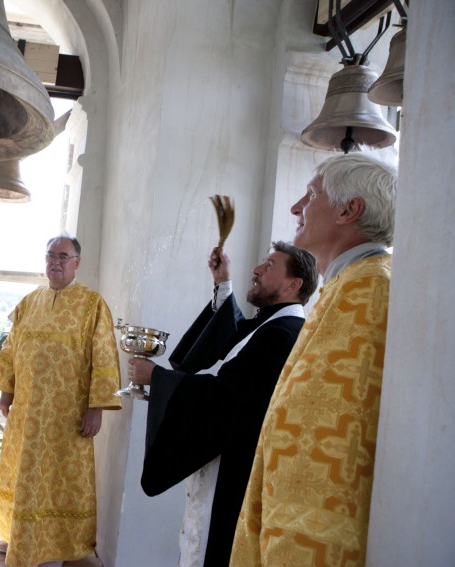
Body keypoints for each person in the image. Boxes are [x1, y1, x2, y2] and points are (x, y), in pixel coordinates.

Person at [231, 152, 397, 565]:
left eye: (310, 194)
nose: (295, 207)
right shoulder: (346, 285)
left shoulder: (372, 289)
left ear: (349, 209)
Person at [128, 242, 318, 567]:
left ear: (294, 284)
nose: (257, 270)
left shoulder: (284, 335)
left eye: (269, 266)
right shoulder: (272, 326)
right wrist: (222, 284)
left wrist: (158, 379)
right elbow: (235, 335)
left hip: (235, 473)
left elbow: (228, 397)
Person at [0, 235, 122, 567]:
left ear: (77, 262)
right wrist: (7, 389)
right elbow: (10, 349)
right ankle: (19, 536)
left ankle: (56, 545)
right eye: (50, 256)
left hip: (67, 416)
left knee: (57, 480)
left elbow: (104, 356)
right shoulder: (29, 302)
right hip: (28, 414)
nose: (55, 262)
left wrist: (96, 407)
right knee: (22, 473)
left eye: (63, 256)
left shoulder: (92, 304)